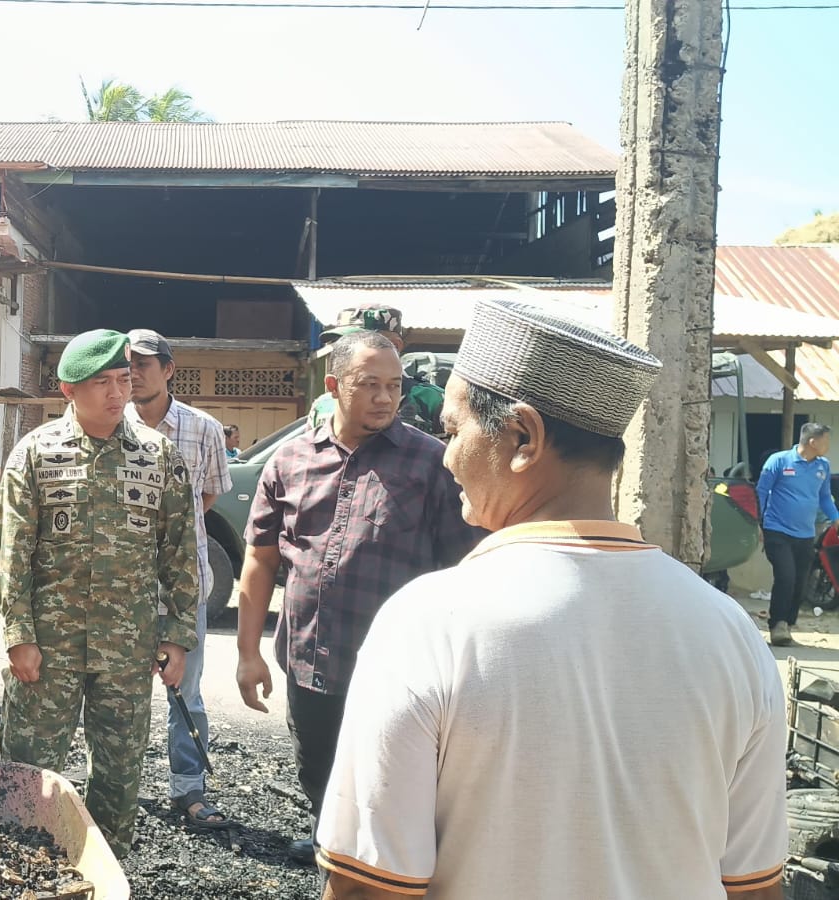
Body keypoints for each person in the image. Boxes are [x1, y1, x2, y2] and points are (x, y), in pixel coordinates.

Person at [315, 298, 786, 900]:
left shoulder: (428, 623)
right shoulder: (732, 633)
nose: (446, 456)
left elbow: (367, 889)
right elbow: (754, 887)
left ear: (522, 438)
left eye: (453, 431)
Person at [235, 330, 480, 864]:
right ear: (333, 387)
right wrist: (248, 653)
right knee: (318, 770)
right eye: (369, 385)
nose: (385, 398)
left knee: (394, 781)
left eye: (394, 385)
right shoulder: (289, 461)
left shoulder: (431, 464)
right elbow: (260, 559)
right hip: (310, 660)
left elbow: (464, 569)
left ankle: (388, 873)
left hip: (399, 670)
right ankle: (332, 854)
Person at [0, 328, 199, 858]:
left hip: (127, 649)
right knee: (31, 771)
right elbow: (11, 553)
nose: (116, 392)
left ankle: (107, 870)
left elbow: (179, 552)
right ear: (68, 389)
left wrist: (177, 636)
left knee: (119, 772)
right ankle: (25, 868)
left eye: (123, 379)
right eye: (101, 382)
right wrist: (19, 635)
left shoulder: (158, 455)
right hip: (49, 648)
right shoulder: (35, 453)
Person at [124, 328, 235, 831]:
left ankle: (188, 789)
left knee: (184, 692)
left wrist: (175, 537)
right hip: (122, 589)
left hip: (184, 587)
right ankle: (118, 788)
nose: (133, 373)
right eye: (126, 364)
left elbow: (206, 498)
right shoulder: (108, 422)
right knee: (118, 694)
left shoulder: (202, 428)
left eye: (143, 364)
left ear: (168, 370)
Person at [306, 305, 445, 438]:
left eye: (363, 342)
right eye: (341, 343)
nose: (348, 350)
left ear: (396, 346)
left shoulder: (433, 401)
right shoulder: (323, 406)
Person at [757, 421, 839, 646]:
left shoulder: (823, 466)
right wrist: (758, 523)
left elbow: (824, 497)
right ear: (813, 442)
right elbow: (761, 491)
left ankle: (787, 623)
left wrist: (835, 518)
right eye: (826, 440)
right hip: (777, 530)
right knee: (786, 576)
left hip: (805, 534)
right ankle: (777, 625)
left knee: (800, 582)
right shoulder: (779, 461)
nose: (828, 445)